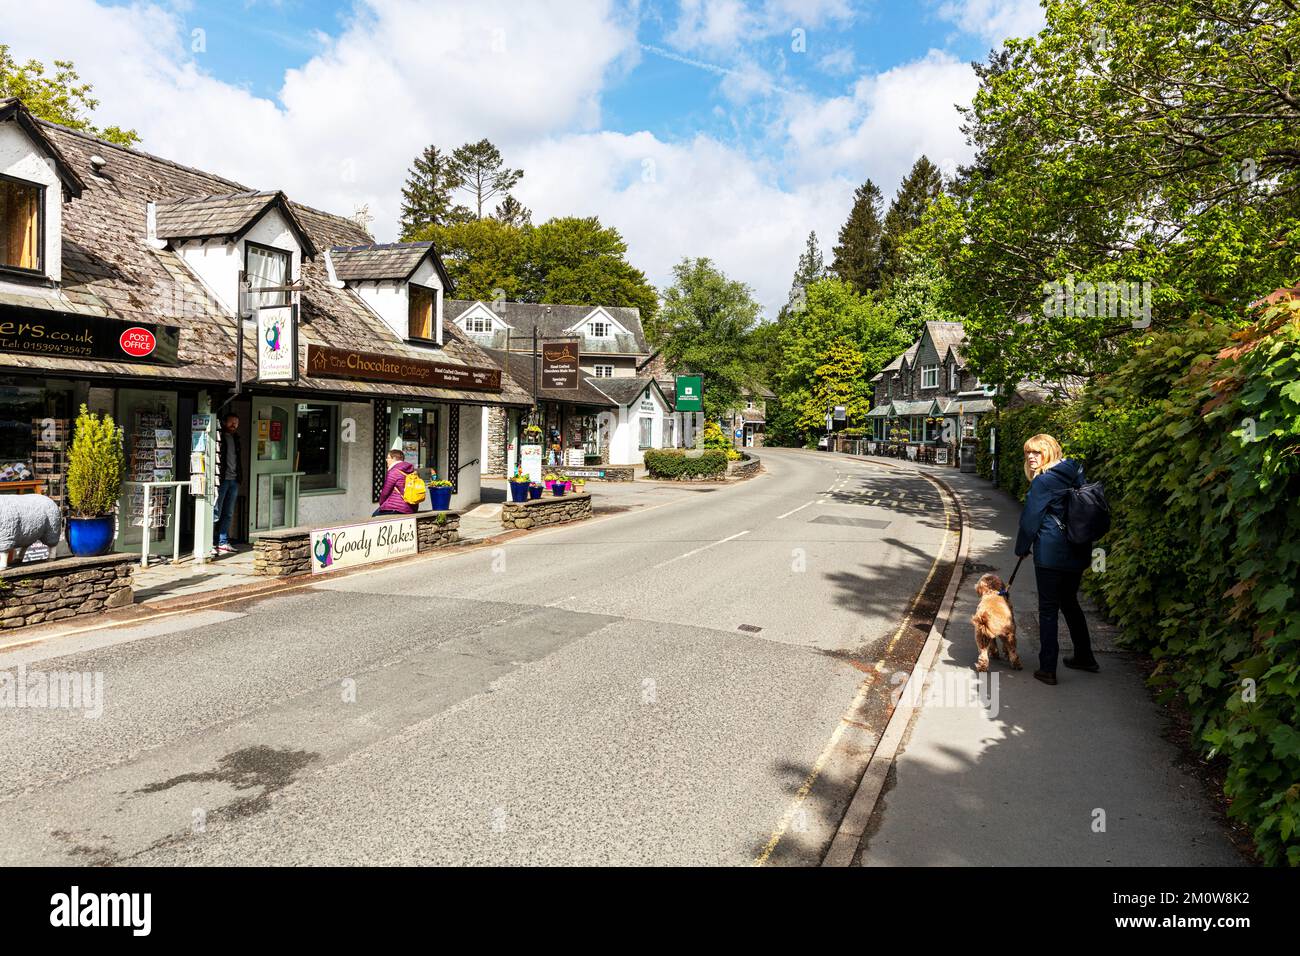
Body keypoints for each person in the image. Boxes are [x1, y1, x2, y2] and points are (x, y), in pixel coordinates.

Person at [1013, 433, 1098, 685]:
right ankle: (1085, 657)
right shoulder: (1074, 470)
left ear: (1049, 452)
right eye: (1028, 452)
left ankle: (1047, 668)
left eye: (1037, 452)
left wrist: (1021, 548)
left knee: (1048, 609)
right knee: (1070, 602)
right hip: (1078, 549)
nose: (1030, 457)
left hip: (1051, 553)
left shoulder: (1043, 482)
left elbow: (1030, 520)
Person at [213, 413, 242, 555]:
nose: (234, 425)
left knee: (228, 513)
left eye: (236, 423)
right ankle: (210, 542)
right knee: (215, 511)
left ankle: (223, 542)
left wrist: (239, 477)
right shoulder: (219, 437)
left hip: (234, 480)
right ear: (224, 422)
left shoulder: (236, 438)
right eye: (231, 422)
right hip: (222, 479)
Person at [374, 449, 417, 516]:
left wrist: (381, 504)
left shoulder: (394, 471)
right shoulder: (412, 472)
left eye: (388, 458)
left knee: (374, 517)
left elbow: (385, 492)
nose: (386, 460)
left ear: (394, 459)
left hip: (396, 507)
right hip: (411, 507)